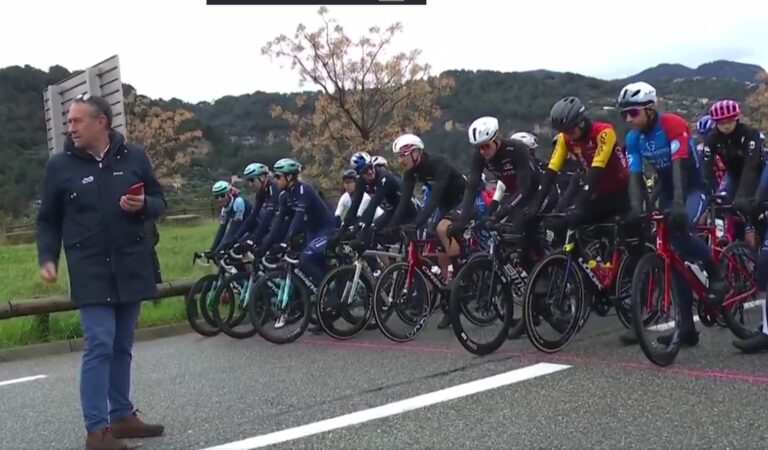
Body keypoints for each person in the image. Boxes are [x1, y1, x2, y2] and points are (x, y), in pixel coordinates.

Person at [35, 94, 166, 450]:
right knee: (100, 342)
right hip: (90, 269)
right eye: (69, 121)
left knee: (122, 343)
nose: (70, 128)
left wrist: (144, 205)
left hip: (131, 264)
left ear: (101, 122)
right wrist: (47, 257)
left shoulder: (134, 156)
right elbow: (47, 220)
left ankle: (121, 416)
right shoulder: (59, 166)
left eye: (77, 121)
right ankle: (97, 430)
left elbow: (160, 201)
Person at [619, 81, 729, 347]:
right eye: (624, 114)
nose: (628, 119)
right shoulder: (633, 139)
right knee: (672, 256)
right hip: (669, 191)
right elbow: (635, 177)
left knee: (682, 227)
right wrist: (636, 208)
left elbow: (679, 166)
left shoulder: (672, 124)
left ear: (650, 109)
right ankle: (687, 327)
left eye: (632, 112)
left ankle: (715, 274)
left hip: (694, 187)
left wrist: (679, 203)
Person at [538, 96, 640, 344]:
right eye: (563, 131)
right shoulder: (565, 138)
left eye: (570, 129)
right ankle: (591, 276)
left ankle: (637, 310)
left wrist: (579, 205)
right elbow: (551, 171)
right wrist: (536, 207)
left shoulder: (604, 133)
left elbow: (595, 172)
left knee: (631, 243)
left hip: (622, 193)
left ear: (581, 122)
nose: (568, 136)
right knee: (566, 224)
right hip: (599, 195)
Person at [452, 116, 544, 271]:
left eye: (486, 146)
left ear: (497, 138)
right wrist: (462, 220)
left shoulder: (516, 148)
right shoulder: (480, 155)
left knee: (524, 228)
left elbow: (524, 188)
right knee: (504, 236)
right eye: (478, 148)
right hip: (517, 195)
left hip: (538, 192)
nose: (482, 151)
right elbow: (472, 187)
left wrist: (498, 215)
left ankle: (544, 270)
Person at [269, 157, 336, 328]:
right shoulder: (285, 196)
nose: (275, 180)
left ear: (289, 177)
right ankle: (325, 315)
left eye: (278, 176)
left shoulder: (304, 189)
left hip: (326, 230)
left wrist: (286, 242)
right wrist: (267, 244)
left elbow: (298, 219)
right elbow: (278, 223)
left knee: (305, 260)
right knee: (307, 265)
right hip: (311, 233)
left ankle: (328, 294)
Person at [209, 180, 251, 254]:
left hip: (254, 230)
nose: (219, 199)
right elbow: (222, 229)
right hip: (243, 231)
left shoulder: (238, 202)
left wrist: (219, 249)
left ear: (229, 193)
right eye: (216, 197)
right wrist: (212, 249)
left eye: (222, 195)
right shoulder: (225, 209)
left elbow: (233, 229)